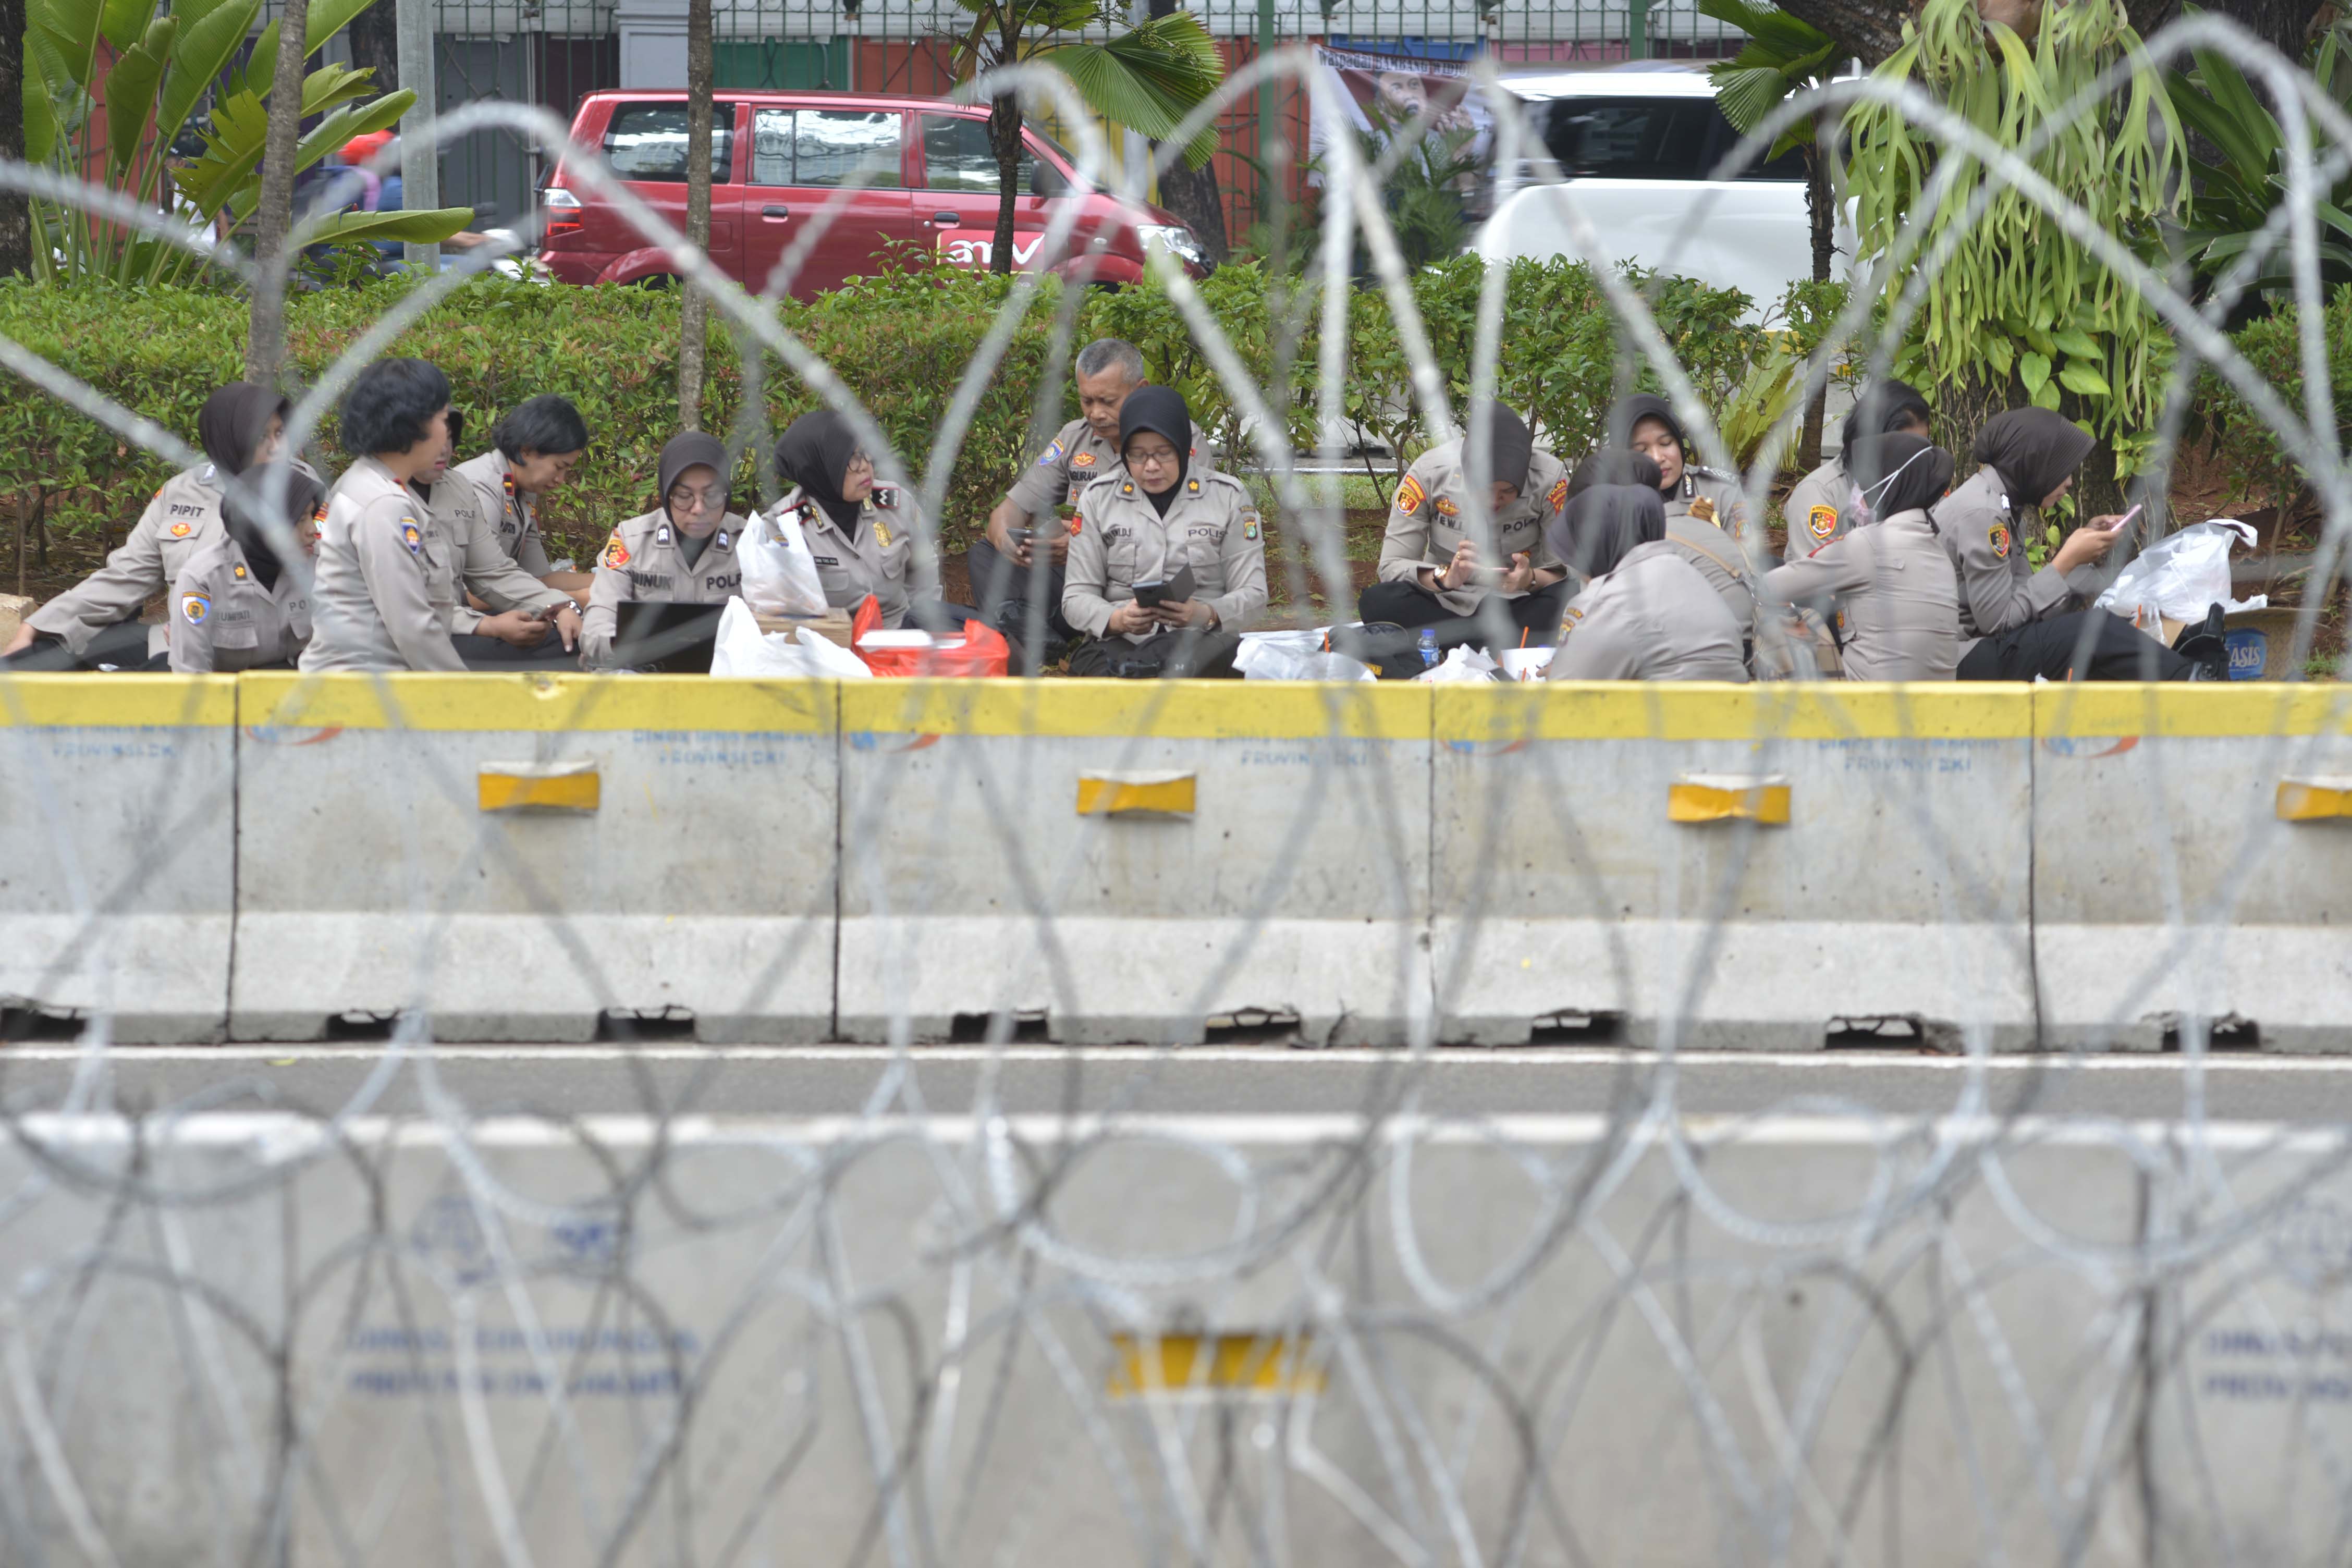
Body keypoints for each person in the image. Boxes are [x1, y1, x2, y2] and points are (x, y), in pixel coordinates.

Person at [7, 382, 291, 669]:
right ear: (226, 437)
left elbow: (316, 592)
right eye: (262, 437)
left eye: (280, 433)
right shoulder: (182, 491)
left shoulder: (303, 495)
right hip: (172, 645)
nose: (277, 448)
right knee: (35, 660)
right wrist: (36, 627)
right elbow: (124, 577)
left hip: (259, 657)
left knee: (130, 692)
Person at [971, 338, 1212, 664]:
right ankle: (1034, 635)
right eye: (1087, 401)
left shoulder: (1180, 438)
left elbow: (1190, 532)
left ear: (1140, 389)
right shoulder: (1075, 438)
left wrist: (1088, 545)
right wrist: (1012, 543)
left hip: (1136, 582)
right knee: (986, 554)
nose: (1096, 413)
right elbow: (1010, 510)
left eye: (1108, 401)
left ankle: (1032, 637)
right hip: (1074, 580)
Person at [1940, 407, 2212, 681]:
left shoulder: (2002, 505)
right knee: (2095, 630)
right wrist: (2065, 562)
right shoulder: (1985, 514)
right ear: (2034, 463)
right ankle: (2192, 682)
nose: (2070, 482)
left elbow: (2019, 603)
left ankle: (2188, 661)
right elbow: (1998, 622)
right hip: (1962, 659)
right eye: (2062, 470)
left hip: (1984, 647)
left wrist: (2078, 561)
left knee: (2106, 633)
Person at [1063, 386, 1266, 679]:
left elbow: (1255, 594)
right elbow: (1076, 596)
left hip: (1199, 641)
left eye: (1163, 453)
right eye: (1137, 455)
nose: (1151, 467)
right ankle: (1141, 674)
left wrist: (1206, 614)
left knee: (1184, 658)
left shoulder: (1228, 496)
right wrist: (1119, 619)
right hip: (1122, 643)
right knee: (1100, 665)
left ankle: (1139, 676)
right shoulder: (1098, 498)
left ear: (1183, 447)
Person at [302, 359, 476, 672]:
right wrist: (466, 700)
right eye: (442, 418)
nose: (448, 430)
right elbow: (412, 625)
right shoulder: (383, 504)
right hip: (365, 689)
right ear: (413, 424)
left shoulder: (373, 484)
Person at [1358, 402, 1572, 648]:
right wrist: (1445, 577)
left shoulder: (1550, 478)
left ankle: (1448, 645)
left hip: (1519, 600)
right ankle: (1500, 645)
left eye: (1507, 492)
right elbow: (1391, 565)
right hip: (1445, 600)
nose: (1494, 501)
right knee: (1378, 601)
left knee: (1573, 600)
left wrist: (1531, 579)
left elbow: (1567, 569)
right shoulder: (1430, 473)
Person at [1761, 433, 1960, 682]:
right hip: (1936, 704)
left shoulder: (1867, 544)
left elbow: (1773, 586)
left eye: (1864, 485)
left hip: (1869, 704)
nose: (1857, 493)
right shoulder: (1939, 553)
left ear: (1890, 485)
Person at [772, 410, 984, 639]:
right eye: (851, 459)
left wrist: (922, 630)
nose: (864, 466)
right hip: (831, 645)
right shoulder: (786, 525)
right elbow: (779, 609)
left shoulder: (897, 504)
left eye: (865, 453)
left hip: (899, 635)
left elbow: (924, 571)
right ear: (820, 466)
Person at [1545, 484, 1747, 681]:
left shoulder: (1606, 601)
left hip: (1669, 710)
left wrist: (1555, 672)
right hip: (1729, 706)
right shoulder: (1685, 572)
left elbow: (1567, 687)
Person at [580, 432, 749, 668]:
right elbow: (597, 627)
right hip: (644, 675)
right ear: (666, 494)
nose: (699, 509)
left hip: (726, 675)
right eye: (684, 496)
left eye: (712, 495)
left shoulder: (750, 542)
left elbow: (775, 622)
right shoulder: (630, 540)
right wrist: (627, 648)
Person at [1608, 394, 1762, 634]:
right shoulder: (1610, 502)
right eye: (1641, 449)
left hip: (1722, 614)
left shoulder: (1719, 489)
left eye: (1666, 443)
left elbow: (1749, 559)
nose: (1658, 458)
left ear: (1680, 444)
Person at [168, 465, 324, 672]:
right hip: (227, 696)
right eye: (301, 519)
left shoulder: (320, 564)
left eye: (311, 516)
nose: (313, 530)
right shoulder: (203, 578)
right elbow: (191, 675)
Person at [448, 395, 596, 605]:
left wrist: (614, 582)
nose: (560, 480)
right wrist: (574, 600)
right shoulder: (480, 486)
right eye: (559, 467)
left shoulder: (524, 493)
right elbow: (476, 594)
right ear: (526, 450)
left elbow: (541, 578)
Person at [1782, 380, 1932, 562]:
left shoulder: (1917, 489)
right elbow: (1817, 582)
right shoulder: (1820, 493)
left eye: (1922, 450)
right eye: (1907, 450)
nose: (1915, 461)